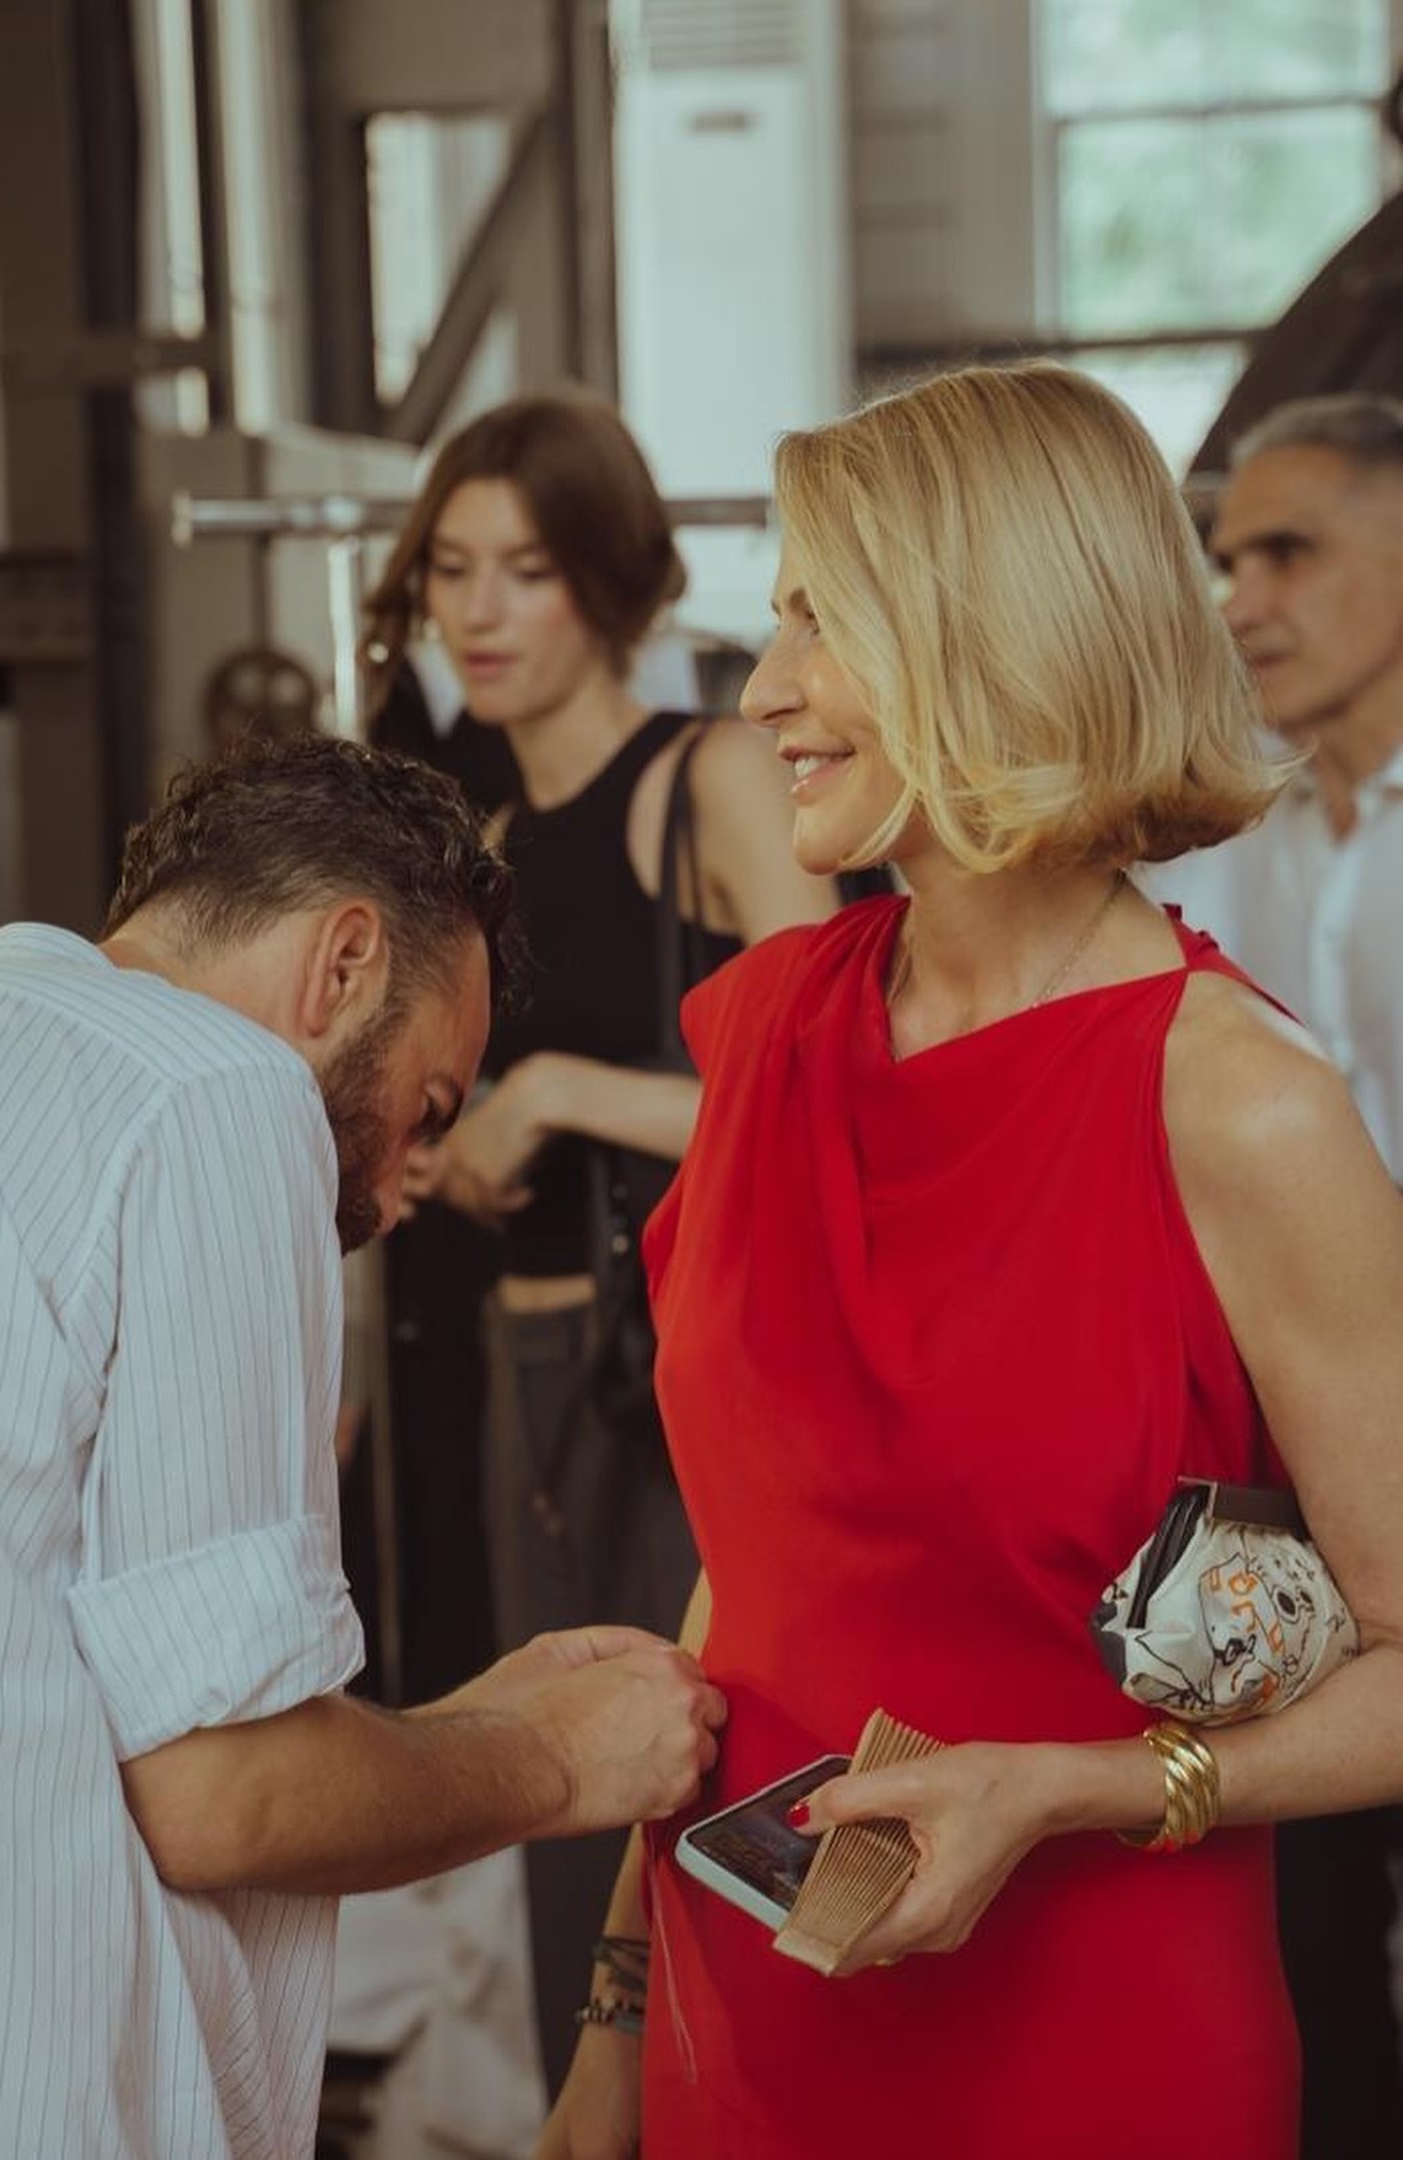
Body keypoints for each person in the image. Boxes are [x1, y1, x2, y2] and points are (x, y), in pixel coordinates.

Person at [536, 363, 1403, 2160]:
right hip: (741, 2020)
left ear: (997, 637)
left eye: (822, 623)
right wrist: (615, 2020)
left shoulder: (1239, 1102)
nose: (763, 690)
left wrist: (1078, 1789)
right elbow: (742, 1588)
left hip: (1090, 2041)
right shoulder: (769, 1027)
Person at [0, 732, 728, 2160]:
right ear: (342, 963)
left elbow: (56, 1706)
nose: (397, 1194)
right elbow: (223, 1800)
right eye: (422, 1111)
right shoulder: (219, 1092)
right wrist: (554, 1762)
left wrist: (456, 1732)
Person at [362, 389, 838, 2091]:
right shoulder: (480, 840)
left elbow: (826, 1091)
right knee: (563, 1791)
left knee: (711, 1791)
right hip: (526, 1359)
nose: (478, 612)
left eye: (529, 570)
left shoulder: (705, 778)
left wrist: (559, 1093)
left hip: (684, 1374)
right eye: (451, 571)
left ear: (613, 583)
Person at [1146, 391, 1403, 2154]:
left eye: (1288, 554)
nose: (1241, 598)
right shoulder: (1235, 826)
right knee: (1304, 1899)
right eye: (1226, 559)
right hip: (1297, 1436)